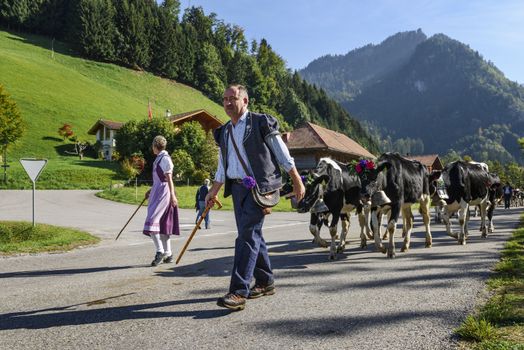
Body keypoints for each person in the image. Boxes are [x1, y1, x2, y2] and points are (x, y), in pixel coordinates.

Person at [205, 84, 305, 311]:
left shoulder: (260, 122)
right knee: (251, 235)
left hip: (260, 188)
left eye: (233, 98)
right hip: (238, 189)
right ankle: (265, 281)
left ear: (245, 101)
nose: (228, 102)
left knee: (246, 237)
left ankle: (239, 291)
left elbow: (281, 153)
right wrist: (214, 190)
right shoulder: (224, 131)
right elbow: (223, 165)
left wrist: (297, 179)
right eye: (225, 99)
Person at [143, 135, 180, 266]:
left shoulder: (165, 159)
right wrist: (151, 190)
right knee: (163, 224)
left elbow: (168, 179)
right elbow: (159, 180)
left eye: (152, 146)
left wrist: (173, 196)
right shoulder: (159, 158)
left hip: (164, 193)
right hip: (158, 191)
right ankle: (168, 253)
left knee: (153, 221)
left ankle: (160, 252)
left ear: (155, 146)